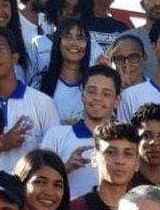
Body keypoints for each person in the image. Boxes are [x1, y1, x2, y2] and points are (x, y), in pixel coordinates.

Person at [0, 25, 59, 170]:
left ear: (15, 57)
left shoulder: (42, 103)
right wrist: (2, 144)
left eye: (0, 49)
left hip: (29, 189)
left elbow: (54, 153)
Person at [41, 64, 122, 198]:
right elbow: (38, 180)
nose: (97, 98)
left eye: (106, 93)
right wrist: (66, 168)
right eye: (91, 91)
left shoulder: (126, 140)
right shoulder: (56, 135)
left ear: (117, 100)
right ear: (82, 95)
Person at [68, 121, 140, 210]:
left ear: (137, 162)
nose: (120, 161)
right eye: (111, 152)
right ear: (94, 158)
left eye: (128, 154)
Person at [29, 0, 103, 82]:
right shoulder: (38, 44)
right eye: (65, 6)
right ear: (55, 9)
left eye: (76, 9)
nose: (70, 13)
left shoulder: (95, 50)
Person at [38, 17, 93, 123]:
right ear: (58, 42)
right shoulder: (40, 81)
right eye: (68, 37)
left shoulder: (94, 83)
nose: (74, 43)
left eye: (80, 38)